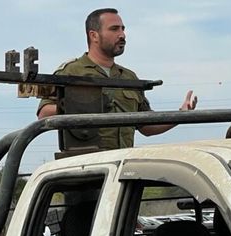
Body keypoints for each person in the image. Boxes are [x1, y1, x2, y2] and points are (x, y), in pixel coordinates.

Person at [37, 8, 198, 150]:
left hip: (121, 166)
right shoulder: (71, 72)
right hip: (84, 165)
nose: (122, 35)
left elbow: (146, 126)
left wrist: (181, 115)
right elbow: (44, 114)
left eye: (122, 29)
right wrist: (85, 106)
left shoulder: (129, 77)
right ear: (94, 35)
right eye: (114, 29)